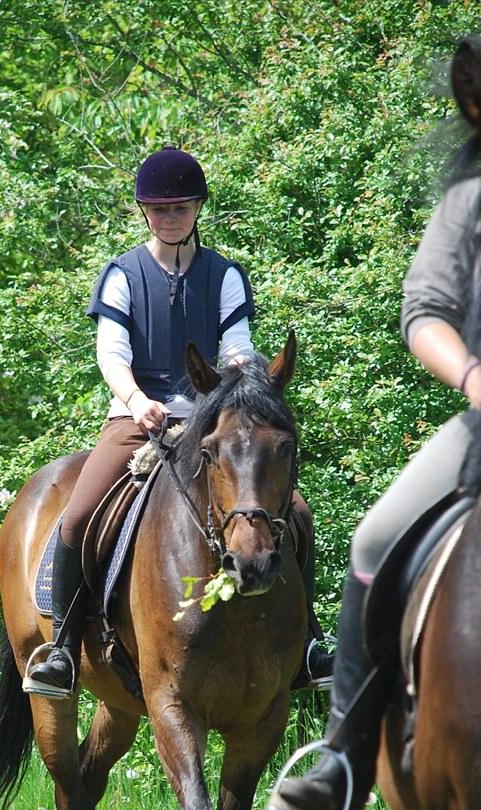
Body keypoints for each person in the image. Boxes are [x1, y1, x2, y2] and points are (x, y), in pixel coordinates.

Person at [268, 34, 481, 810]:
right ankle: (341, 756)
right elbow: (423, 315)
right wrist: (476, 377)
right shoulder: (474, 202)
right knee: (373, 537)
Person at [25, 146, 334, 698]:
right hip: (136, 417)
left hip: (210, 420)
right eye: (160, 209)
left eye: (181, 208)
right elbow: (111, 354)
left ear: (198, 209)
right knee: (75, 517)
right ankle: (63, 651)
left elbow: (238, 347)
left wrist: (239, 387)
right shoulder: (122, 275)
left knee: (299, 514)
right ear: (145, 212)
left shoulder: (224, 275)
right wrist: (135, 397)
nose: (171, 218)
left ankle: (307, 644)